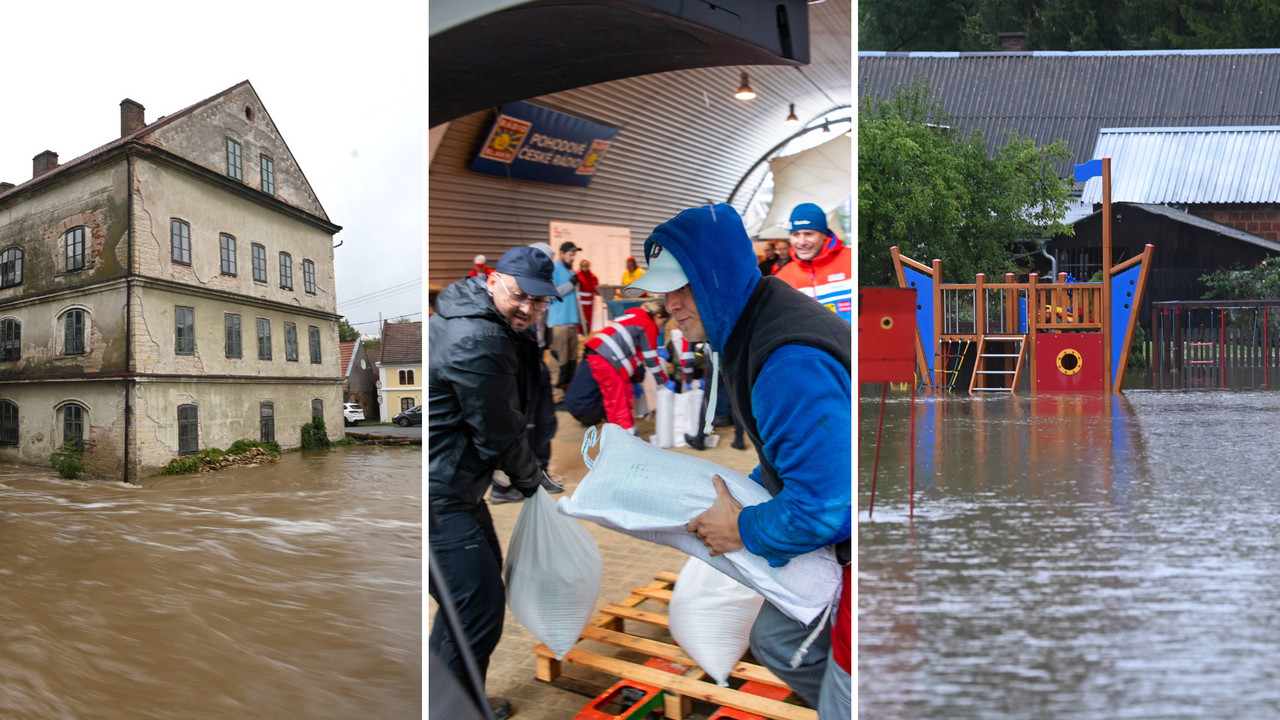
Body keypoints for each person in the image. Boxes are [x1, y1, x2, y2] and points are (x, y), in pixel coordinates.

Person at [623, 204, 851, 718]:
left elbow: (827, 508)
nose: (670, 305)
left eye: (682, 288)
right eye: (664, 290)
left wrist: (743, 529)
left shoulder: (786, 362)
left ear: (716, 277)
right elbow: (789, 452)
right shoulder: (753, 320)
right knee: (772, 637)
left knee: (841, 688)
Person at [428, 246, 564, 720]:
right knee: (475, 609)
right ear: (492, 280)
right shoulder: (478, 338)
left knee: (467, 604)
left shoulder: (481, 316)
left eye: (539, 300)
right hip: (437, 493)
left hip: (456, 484)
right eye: (518, 295)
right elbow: (498, 431)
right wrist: (532, 483)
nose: (527, 307)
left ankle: (454, 703)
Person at [489, 241, 565, 505]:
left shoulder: (537, 296)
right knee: (532, 422)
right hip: (523, 362)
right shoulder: (513, 299)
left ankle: (520, 478)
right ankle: (516, 481)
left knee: (541, 421)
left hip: (534, 358)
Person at [580, 300, 669, 433]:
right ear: (658, 315)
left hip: (598, 354)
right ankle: (627, 440)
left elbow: (633, 352)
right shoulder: (647, 324)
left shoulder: (632, 317)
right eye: (663, 321)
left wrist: (634, 380)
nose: (662, 327)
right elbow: (651, 359)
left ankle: (619, 434)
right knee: (618, 401)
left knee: (618, 398)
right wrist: (663, 383)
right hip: (607, 359)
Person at [772, 203, 853, 323]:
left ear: (824, 235)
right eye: (795, 235)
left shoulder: (850, 259)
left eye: (808, 234)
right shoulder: (782, 278)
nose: (802, 242)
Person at [544, 241, 582, 402]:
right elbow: (550, 294)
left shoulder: (570, 271)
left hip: (571, 323)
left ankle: (568, 392)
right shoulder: (554, 270)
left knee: (571, 361)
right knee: (559, 361)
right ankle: (556, 396)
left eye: (574, 255)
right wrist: (570, 284)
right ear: (561, 253)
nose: (573, 257)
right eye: (570, 254)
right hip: (558, 322)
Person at [576, 259, 600, 333]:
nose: (584, 267)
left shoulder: (593, 277)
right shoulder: (577, 276)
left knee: (588, 323)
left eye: (586, 266)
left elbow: (596, 290)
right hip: (579, 304)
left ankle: (587, 335)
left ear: (589, 266)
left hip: (589, 305)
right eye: (582, 266)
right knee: (579, 322)